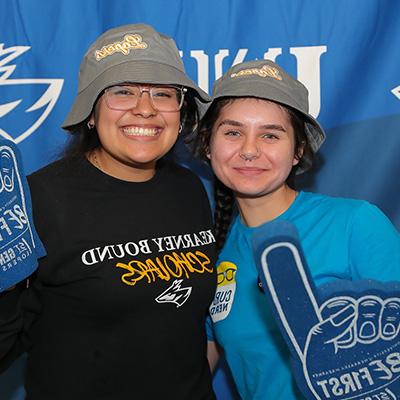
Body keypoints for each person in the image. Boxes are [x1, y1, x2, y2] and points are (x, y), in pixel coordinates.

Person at [0, 23, 218, 400]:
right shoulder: (38, 200)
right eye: (123, 91)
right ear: (90, 111)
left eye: (163, 94)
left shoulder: (190, 188)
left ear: (180, 111)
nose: (146, 109)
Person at [193, 60, 400, 399]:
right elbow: (193, 370)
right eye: (232, 132)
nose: (249, 150)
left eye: (270, 135)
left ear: (297, 151)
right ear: (207, 145)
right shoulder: (215, 254)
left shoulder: (354, 224)